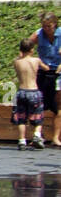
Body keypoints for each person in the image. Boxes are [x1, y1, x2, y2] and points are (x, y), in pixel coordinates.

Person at [24, 12, 60, 146]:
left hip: (58, 72)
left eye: (49, 26)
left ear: (54, 24)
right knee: (38, 104)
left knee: (58, 106)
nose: (46, 29)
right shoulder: (39, 34)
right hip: (43, 72)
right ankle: (38, 136)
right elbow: (26, 46)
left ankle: (56, 137)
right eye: (44, 26)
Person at [12, 39, 46, 150]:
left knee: (21, 118)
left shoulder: (17, 62)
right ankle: (36, 135)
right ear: (32, 50)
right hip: (33, 91)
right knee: (38, 116)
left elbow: (18, 58)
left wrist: (20, 54)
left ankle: (22, 141)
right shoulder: (36, 60)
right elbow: (46, 68)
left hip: (21, 91)